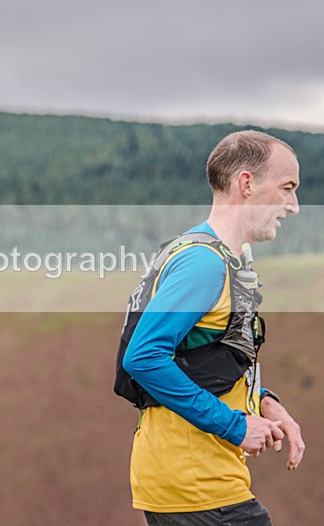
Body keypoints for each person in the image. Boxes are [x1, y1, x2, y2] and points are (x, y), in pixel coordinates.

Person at [116, 130, 306, 525]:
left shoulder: (212, 254)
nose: (294, 206)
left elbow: (205, 356)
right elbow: (143, 356)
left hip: (196, 482)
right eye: (287, 188)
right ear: (247, 183)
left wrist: (265, 402)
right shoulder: (204, 263)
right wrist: (236, 425)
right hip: (196, 485)